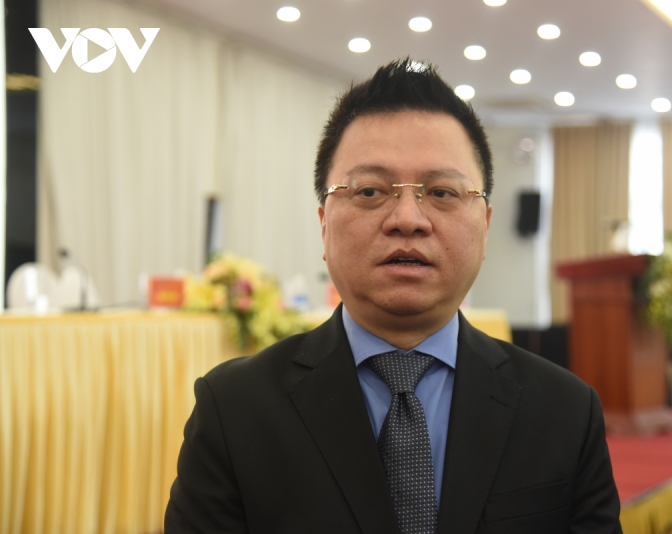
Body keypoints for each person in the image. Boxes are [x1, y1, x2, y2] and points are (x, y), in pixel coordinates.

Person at [165, 58, 621, 534]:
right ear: (324, 225)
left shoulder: (565, 411)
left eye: (441, 192)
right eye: (369, 191)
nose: (407, 219)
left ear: (485, 228)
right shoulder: (234, 410)